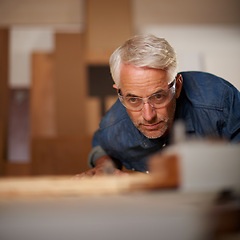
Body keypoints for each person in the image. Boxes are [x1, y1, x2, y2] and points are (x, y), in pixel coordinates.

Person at [81, 34, 240, 177]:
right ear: (119, 92)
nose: (149, 116)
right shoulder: (113, 124)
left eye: (158, 96)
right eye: (133, 99)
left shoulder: (220, 101)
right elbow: (101, 147)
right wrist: (104, 165)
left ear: (177, 86)